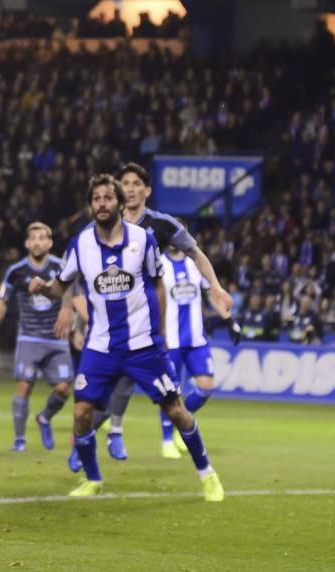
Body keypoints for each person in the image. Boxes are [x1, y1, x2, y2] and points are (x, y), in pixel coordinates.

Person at [29, 174, 224, 502]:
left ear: (119, 203)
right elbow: (60, 288)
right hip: (101, 346)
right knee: (81, 413)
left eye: (108, 198)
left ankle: (208, 475)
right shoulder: (81, 244)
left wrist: (159, 333)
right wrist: (44, 288)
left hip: (143, 345)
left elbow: (159, 285)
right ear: (91, 205)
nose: (102, 204)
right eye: (96, 199)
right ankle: (93, 479)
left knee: (175, 409)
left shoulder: (143, 239)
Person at [98, 163, 234, 460]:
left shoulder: (163, 225)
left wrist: (216, 287)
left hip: (148, 322)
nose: (130, 188)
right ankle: (87, 439)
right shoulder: (104, 224)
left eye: (137, 184)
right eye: (125, 183)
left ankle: (121, 434)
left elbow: (196, 254)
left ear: (147, 191)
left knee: (151, 388)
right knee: (99, 394)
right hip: (111, 316)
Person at [0, 223, 73, 452]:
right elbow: (1, 304)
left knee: (64, 388)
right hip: (29, 337)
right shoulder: (16, 271)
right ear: (27, 243)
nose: (37, 242)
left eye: (42, 238)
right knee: (25, 386)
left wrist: (76, 323)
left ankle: (44, 417)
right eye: (33, 238)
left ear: (50, 243)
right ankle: (20, 440)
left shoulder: (61, 267)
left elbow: (73, 294)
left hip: (56, 337)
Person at [158, 246, 241, 459]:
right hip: (171, 341)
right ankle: (167, 441)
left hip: (196, 339)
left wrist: (228, 319)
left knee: (206, 386)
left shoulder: (195, 264)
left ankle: (180, 423)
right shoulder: (159, 263)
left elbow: (210, 293)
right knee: (170, 393)